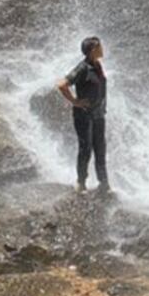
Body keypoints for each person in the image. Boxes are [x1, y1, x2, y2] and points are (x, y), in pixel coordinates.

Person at [57, 35, 109, 192]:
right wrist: (75, 101)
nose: (102, 48)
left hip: (99, 114)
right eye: (99, 46)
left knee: (100, 148)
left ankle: (104, 183)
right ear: (93, 50)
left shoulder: (98, 65)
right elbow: (62, 84)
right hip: (84, 115)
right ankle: (81, 182)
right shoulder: (82, 68)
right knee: (86, 149)